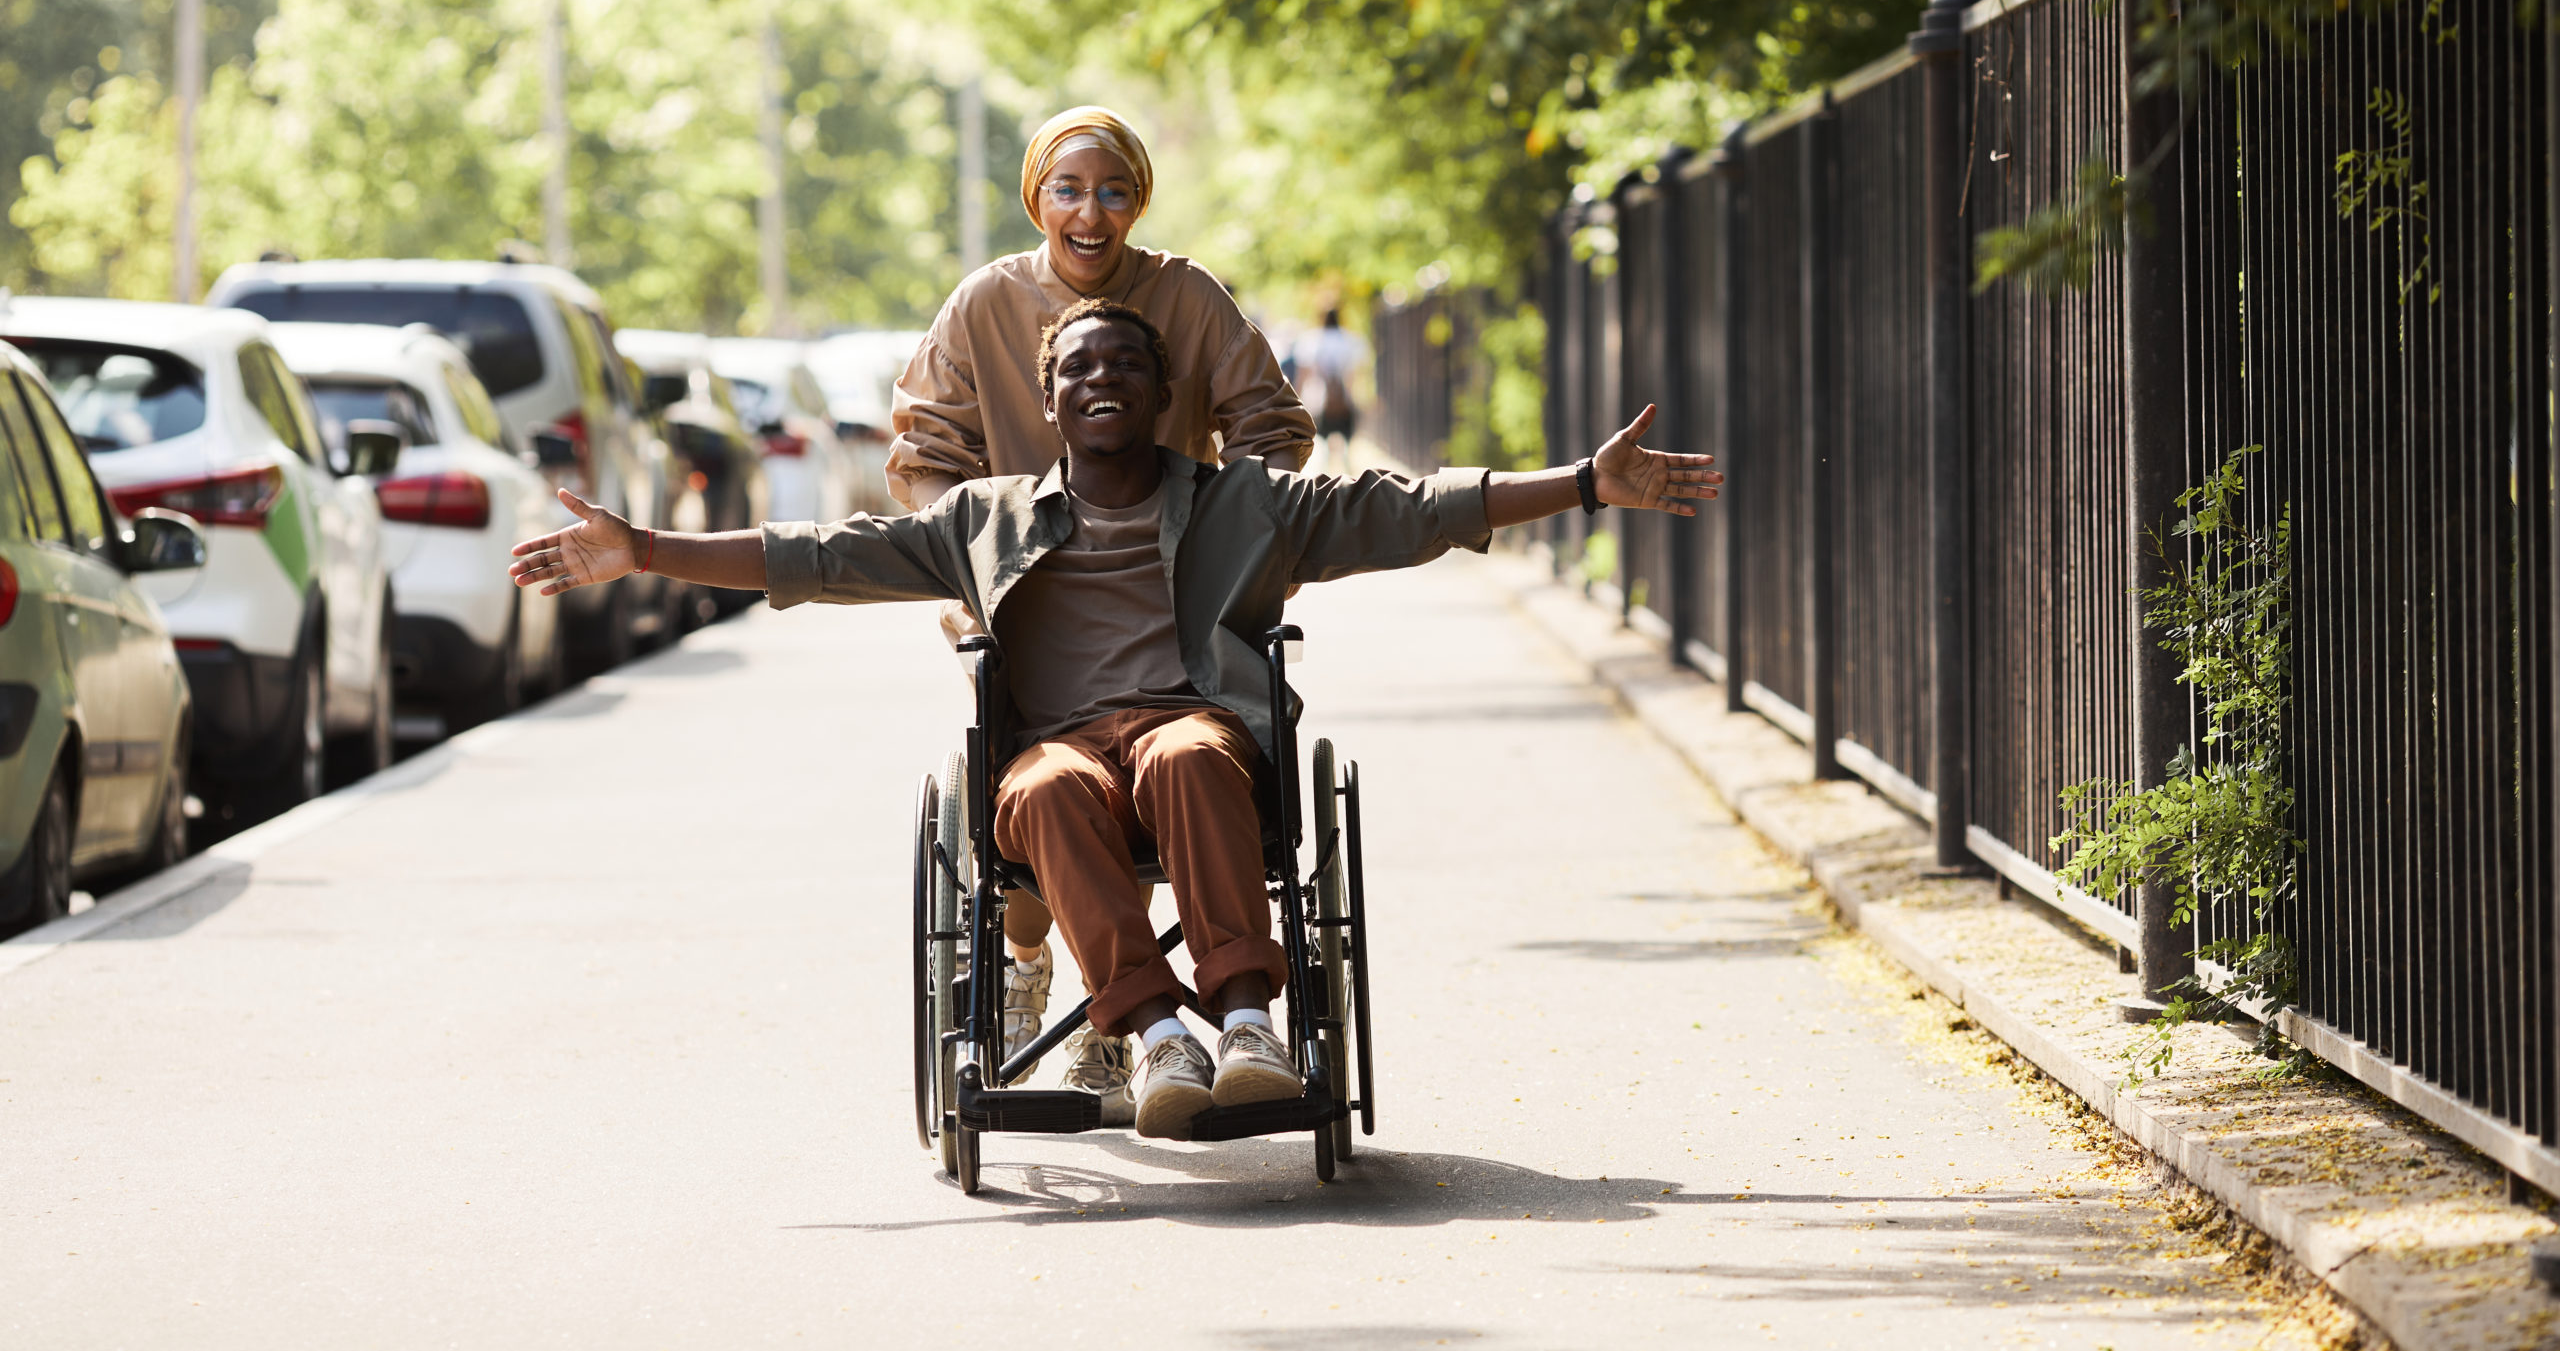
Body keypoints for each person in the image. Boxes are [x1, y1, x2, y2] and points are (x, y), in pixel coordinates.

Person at [509, 299, 1720, 1140]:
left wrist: (1578, 484)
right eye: (1077, 370)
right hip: (1061, 747)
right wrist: (646, 550)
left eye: (1125, 370)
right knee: (1030, 794)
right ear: (1047, 396)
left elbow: (1403, 508)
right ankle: (1153, 1037)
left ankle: (1246, 1019)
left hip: (1196, 724)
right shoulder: (982, 516)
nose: (1100, 383)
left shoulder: (1244, 501)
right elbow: (822, 553)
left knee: (1191, 751)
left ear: (1162, 397)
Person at [887, 104, 1315, 1118]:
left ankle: (1202, 1021)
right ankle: (1041, 965)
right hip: (1023, 597)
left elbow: (1272, 425)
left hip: (1168, 598)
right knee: (1039, 777)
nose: (1091, 211)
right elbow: (922, 453)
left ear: (1140, 201)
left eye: (1113, 189)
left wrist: (1226, 534)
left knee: (1181, 758)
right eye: (1069, 189)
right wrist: (987, 545)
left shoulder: (1185, 297)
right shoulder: (986, 302)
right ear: (1037, 196)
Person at [1290, 307, 1368, 474]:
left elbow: (1303, 374)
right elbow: (1355, 374)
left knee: (1321, 447)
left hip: (1318, 401)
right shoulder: (1350, 340)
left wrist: (1296, 399)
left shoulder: (1312, 340)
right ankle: (1350, 482)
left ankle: (1324, 484)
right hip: (1345, 400)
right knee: (1347, 447)